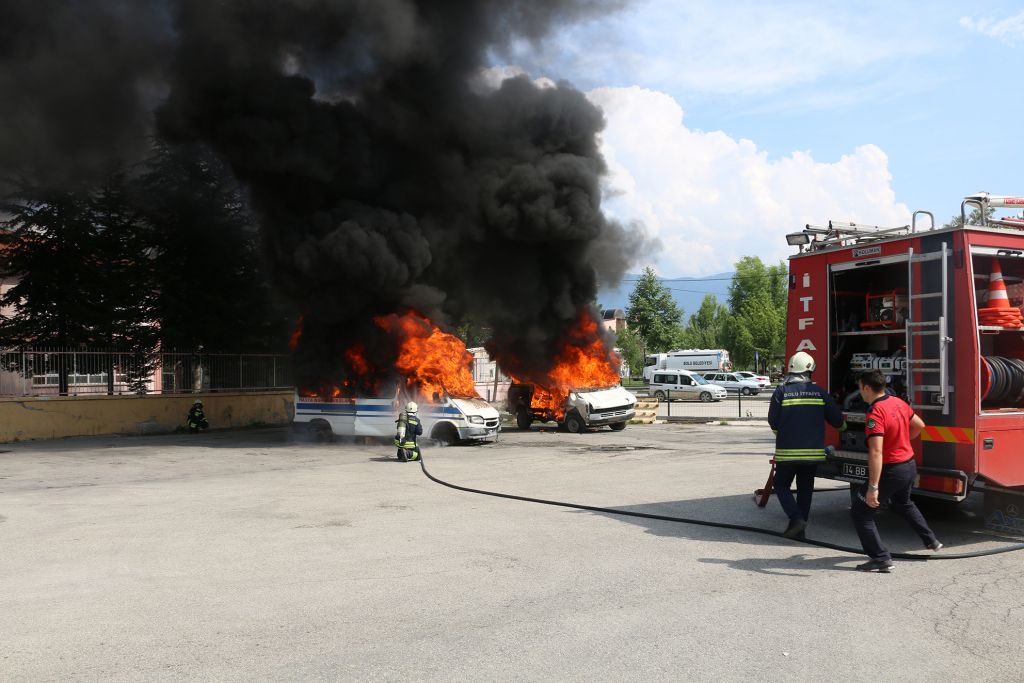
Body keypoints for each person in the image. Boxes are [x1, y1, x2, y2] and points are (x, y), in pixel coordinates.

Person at [851, 370, 942, 572]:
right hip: (908, 465)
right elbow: (920, 425)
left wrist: (873, 487)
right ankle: (931, 541)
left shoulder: (875, 412)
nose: (860, 393)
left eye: (860, 388)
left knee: (860, 512)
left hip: (892, 470)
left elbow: (876, 452)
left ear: (866, 387)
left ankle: (880, 558)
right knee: (904, 503)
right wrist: (903, 441)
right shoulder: (898, 402)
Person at [768, 351, 846, 539]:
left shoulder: (781, 391)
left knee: (781, 486)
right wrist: (844, 428)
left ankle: (796, 520)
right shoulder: (820, 393)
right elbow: (838, 421)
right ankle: (800, 530)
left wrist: (783, 434)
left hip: (787, 454)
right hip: (812, 456)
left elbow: (773, 421)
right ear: (810, 370)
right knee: (805, 489)